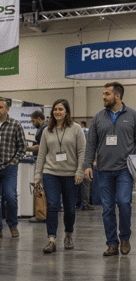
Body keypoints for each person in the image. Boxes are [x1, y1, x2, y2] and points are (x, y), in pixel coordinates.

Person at [84, 82, 136, 256]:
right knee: (107, 208)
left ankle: (125, 238)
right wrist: (88, 164)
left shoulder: (133, 115)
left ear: (117, 96)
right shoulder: (98, 117)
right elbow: (91, 143)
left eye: (107, 94)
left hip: (125, 170)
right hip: (104, 170)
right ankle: (112, 243)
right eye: (103, 94)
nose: (103, 97)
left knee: (124, 203)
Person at [34, 99, 85, 253]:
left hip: (71, 174)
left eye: (61, 109)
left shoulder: (76, 129)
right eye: (55, 109)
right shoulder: (47, 130)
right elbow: (41, 154)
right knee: (53, 205)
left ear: (67, 111)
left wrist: (79, 171)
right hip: (51, 173)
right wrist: (38, 175)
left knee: (70, 208)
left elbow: (82, 152)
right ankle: (51, 239)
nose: (57, 112)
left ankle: (68, 234)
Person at [0, 98, 27, 239]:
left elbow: (22, 146)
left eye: (0, 107)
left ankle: (13, 226)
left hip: (9, 168)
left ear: (7, 109)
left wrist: (14, 162)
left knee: (10, 197)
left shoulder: (15, 125)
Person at [27, 110, 47, 223]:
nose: (32, 123)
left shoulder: (44, 128)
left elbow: (43, 146)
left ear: (39, 119)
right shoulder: (44, 128)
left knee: (39, 186)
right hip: (44, 161)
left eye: (33, 121)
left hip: (42, 162)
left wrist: (31, 148)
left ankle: (41, 215)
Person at [77, 120, 95, 211]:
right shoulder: (87, 132)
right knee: (86, 183)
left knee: (83, 183)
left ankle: (82, 203)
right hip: (85, 162)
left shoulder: (78, 132)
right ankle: (85, 204)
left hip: (80, 161)